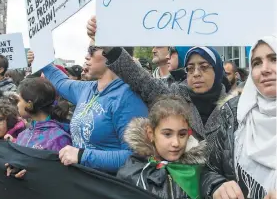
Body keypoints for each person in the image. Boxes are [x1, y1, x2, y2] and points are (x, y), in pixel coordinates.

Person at [87, 17, 226, 154]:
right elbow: (140, 79)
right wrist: (109, 47)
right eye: (190, 68)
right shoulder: (176, 96)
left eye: (204, 67)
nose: (196, 74)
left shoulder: (235, 108)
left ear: (218, 71)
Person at [27, 46, 149, 174]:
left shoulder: (128, 98)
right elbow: (61, 82)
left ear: (114, 53)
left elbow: (136, 158)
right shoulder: (87, 88)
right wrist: (41, 60)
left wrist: (82, 156)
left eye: (92, 49)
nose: (86, 56)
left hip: (108, 187)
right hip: (83, 181)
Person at [200, 35, 276, 199]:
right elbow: (207, 171)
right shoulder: (233, 112)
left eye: (274, 59)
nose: (264, 69)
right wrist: (217, 186)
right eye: (257, 62)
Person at [117, 96, 206, 199]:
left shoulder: (199, 170)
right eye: (167, 134)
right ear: (151, 133)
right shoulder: (133, 173)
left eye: (182, 134)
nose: (176, 143)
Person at [15, 78, 72, 151]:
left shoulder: (59, 138)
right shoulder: (22, 135)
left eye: (19, 100)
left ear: (29, 104)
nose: (17, 105)